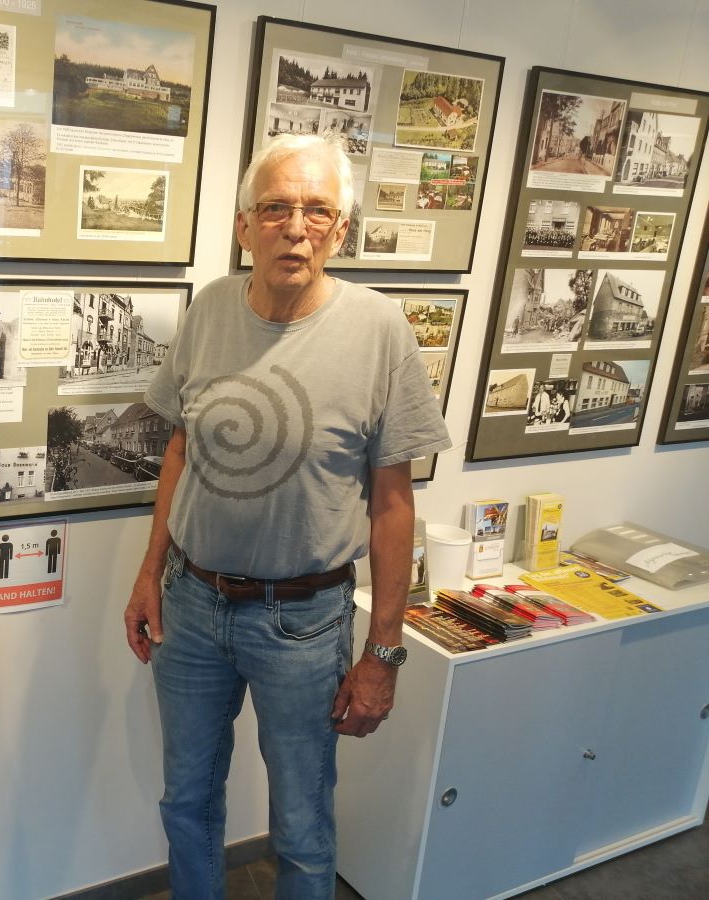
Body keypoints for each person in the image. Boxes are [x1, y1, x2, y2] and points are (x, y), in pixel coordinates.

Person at [124, 133, 450, 899]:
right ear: (245, 226)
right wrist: (148, 576)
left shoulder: (380, 333)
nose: (295, 227)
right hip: (191, 606)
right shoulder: (208, 312)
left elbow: (394, 503)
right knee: (187, 801)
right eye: (275, 208)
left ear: (340, 230)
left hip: (304, 622)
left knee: (302, 823)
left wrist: (385, 653)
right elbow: (180, 450)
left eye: (316, 210)